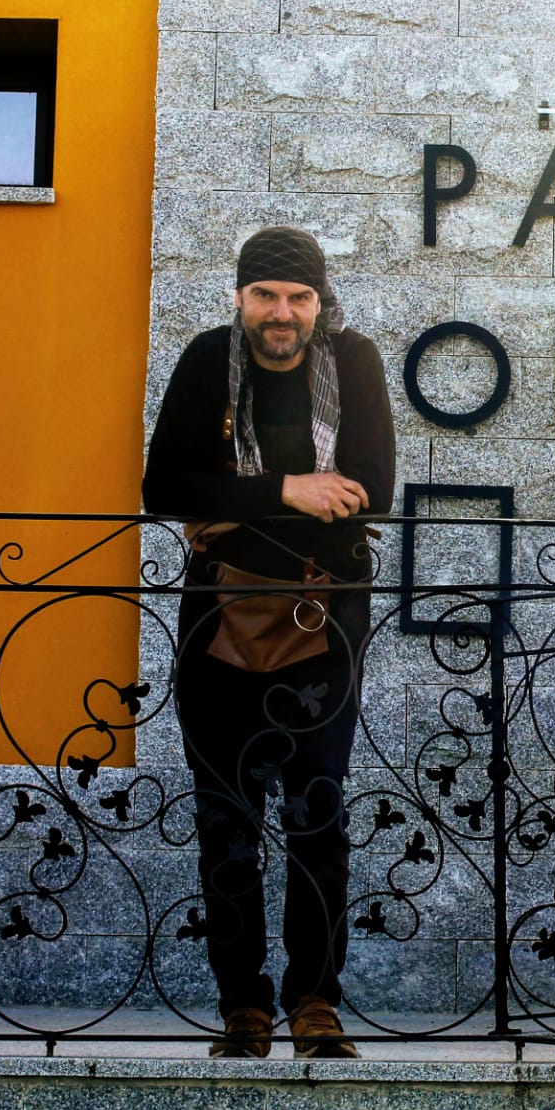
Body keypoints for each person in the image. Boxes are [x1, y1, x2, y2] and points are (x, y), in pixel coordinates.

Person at [142, 225, 394, 1059]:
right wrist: (290, 487)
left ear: (319, 304)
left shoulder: (352, 363)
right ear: (240, 296)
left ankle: (315, 1001)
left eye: (297, 297)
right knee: (227, 818)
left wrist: (233, 502)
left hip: (326, 620)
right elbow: (161, 487)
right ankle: (243, 1006)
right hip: (219, 612)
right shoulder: (206, 360)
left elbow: (373, 490)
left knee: (316, 811)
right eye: (265, 295)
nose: (280, 312)